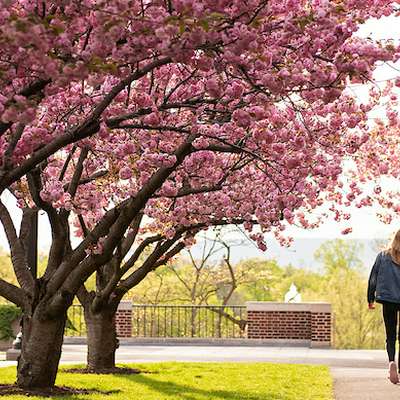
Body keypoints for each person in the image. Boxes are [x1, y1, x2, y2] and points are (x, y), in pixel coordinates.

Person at [368, 230, 400, 385]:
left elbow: (373, 277)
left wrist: (370, 298)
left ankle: (391, 362)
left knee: (391, 334)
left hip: (388, 299)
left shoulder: (382, 256)